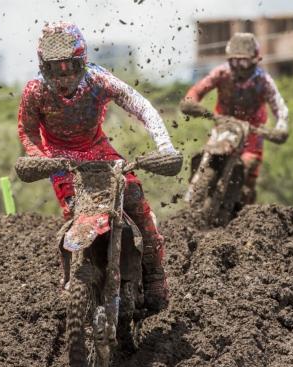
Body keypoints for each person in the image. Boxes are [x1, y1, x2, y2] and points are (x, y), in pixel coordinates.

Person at [18, 22, 181, 314]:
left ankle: (155, 275)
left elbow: (141, 106)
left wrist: (165, 147)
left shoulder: (99, 80)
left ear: (82, 62)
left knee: (133, 196)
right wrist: (37, 156)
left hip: (97, 149)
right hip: (59, 158)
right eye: (57, 69)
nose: (64, 76)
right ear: (45, 67)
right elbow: (27, 130)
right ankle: (72, 278)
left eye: (71, 66)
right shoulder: (35, 91)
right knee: (73, 209)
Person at [180, 32, 289, 204]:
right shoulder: (221, 73)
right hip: (223, 125)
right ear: (229, 59)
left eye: (244, 61)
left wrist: (281, 127)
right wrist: (191, 102)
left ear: (254, 61)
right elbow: (198, 90)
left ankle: (244, 204)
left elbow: (280, 107)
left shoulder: (263, 80)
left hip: (252, 131)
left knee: (248, 168)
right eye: (234, 61)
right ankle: (191, 198)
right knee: (206, 154)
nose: (238, 66)